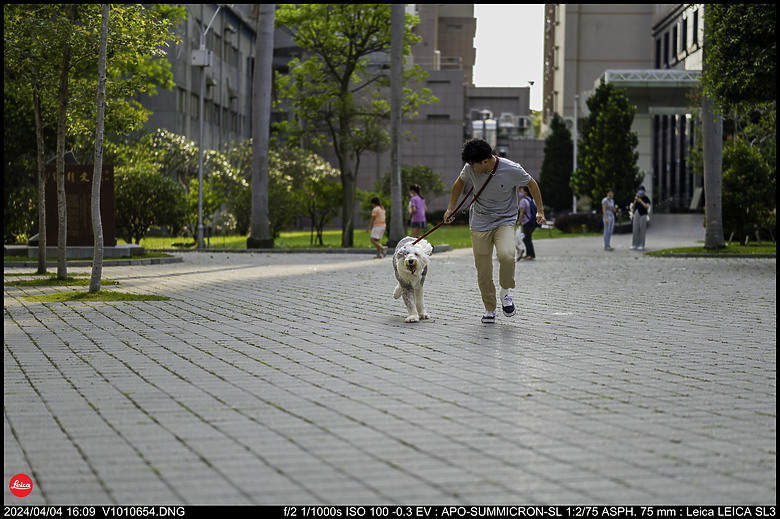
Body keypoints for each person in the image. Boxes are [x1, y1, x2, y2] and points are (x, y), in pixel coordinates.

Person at [443, 138, 545, 324]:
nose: (471, 169)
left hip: (504, 220)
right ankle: (490, 309)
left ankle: (506, 292)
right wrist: (451, 209)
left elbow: (532, 184)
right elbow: (458, 184)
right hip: (480, 223)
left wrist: (540, 210)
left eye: (474, 165)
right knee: (483, 270)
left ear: (485, 161)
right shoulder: (470, 168)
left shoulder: (512, 169)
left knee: (507, 255)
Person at [516, 185, 537, 260]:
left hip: (526, 221)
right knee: (526, 238)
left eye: (521, 191)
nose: (519, 193)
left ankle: (531, 255)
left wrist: (519, 221)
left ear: (525, 192)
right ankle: (528, 254)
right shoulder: (531, 199)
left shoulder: (523, 201)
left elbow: (522, 212)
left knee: (528, 239)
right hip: (532, 221)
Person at [630, 185, 651, 251]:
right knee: (635, 229)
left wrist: (641, 201)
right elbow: (632, 207)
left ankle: (641, 244)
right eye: (639, 190)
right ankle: (634, 244)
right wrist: (636, 200)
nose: (640, 191)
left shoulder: (646, 198)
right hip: (636, 214)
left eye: (641, 190)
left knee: (642, 229)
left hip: (643, 214)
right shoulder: (636, 198)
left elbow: (647, 206)